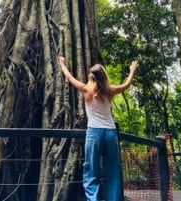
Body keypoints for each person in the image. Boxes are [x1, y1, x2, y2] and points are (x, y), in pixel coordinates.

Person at [58, 56, 138, 201]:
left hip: (94, 133)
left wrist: (62, 63)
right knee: (113, 170)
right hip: (110, 133)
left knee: (91, 170)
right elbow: (126, 85)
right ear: (104, 76)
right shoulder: (110, 90)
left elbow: (69, 77)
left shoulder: (86, 89)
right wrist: (132, 70)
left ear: (91, 76)